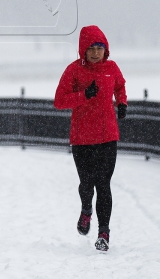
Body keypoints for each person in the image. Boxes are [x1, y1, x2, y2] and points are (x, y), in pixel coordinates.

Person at [54, 25, 127, 252]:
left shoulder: (112, 68)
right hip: (82, 138)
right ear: (82, 51)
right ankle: (87, 210)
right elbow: (59, 101)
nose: (96, 53)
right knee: (87, 184)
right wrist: (84, 95)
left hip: (107, 137)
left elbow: (120, 86)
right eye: (91, 48)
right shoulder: (74, 71)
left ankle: (103, 233)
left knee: (103, 184)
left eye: (100, 48)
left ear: (106, 50)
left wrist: (122, 102)